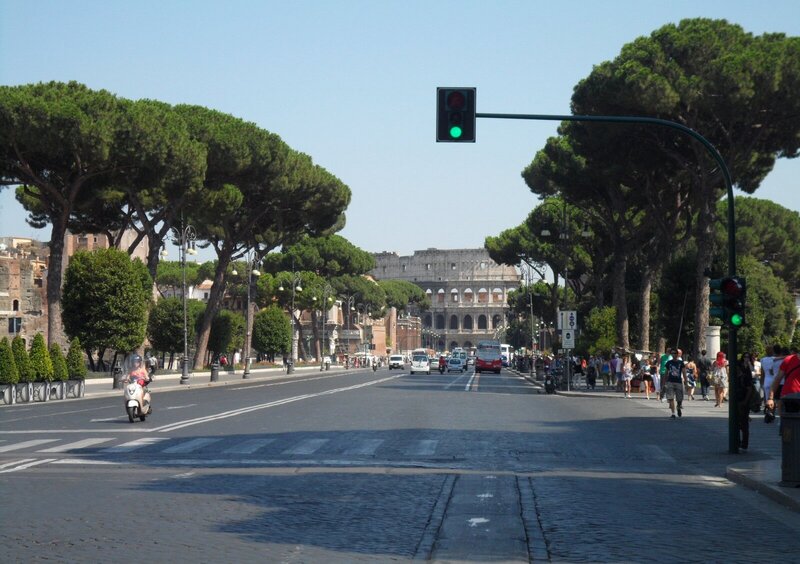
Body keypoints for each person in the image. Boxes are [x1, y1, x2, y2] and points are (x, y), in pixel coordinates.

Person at [766, 346, 800, 415]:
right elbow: (777, 379)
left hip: (790, 397)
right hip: (789, 398)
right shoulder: (789, 359)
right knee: (788, 420)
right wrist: (770, 398)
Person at [735, 353, 756, 450]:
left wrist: (745, 401)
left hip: (743, 400)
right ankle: (738, 442)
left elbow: (749, 389)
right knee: (739, 422)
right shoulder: (736, 378)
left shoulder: (745, 376)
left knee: (743, 423)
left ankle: (744, 443)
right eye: (745, 356)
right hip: (738, 400)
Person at [663, 348, 686, 418]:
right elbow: (666, 373)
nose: (673, 355)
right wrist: (664, 382)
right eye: (672, 353)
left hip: (678, 382)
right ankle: (673, 413)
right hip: (670, 381)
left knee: (679, 398)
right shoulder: (669, 362)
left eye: (675, 353)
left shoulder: (681, 363)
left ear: (677, 354)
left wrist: (686, 382)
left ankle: (678, 406)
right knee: (670, 398)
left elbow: (684, 373)